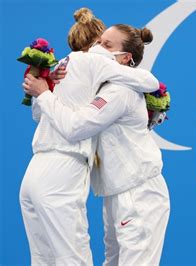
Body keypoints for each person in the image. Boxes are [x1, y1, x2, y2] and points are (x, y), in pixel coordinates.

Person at [19, 8, 160, 265]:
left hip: (130, 187)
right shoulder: (83, 71)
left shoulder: (109, 83)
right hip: (96, 183)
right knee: (64, 258)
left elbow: (149, 82)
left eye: (106, 44)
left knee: (55, 258)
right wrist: (48, 87)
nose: (99, 47)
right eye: (99, 41)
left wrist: (45, 91)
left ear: (126, 56)